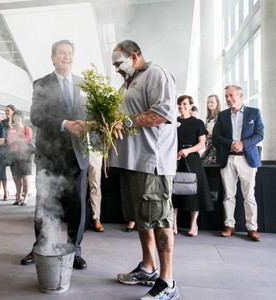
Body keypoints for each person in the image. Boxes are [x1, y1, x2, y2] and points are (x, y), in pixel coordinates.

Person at [110, 40, 179, 300]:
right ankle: (148, 268)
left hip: (153, 163)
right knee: (142, 219)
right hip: (131, 162)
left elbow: (161, 114)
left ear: (135, 56)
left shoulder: (156, 74)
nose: (116, 68)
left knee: (159, 220)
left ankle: (167, 282)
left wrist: (126, 121)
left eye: (119, 62)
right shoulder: (128, 82)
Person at [20, 39, 89, 270]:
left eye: (70, 53)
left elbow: (91, 117)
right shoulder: (41, 84)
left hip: (78, 155)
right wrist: (65, 124)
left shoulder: (84, 84)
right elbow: (36, 116)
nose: (66, 57)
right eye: (61, 53)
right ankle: (41, 247)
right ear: (52, 57)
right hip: (49, 156)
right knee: (45, 203)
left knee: (77, 206)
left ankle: (75, 250)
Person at [212, 85, 264, 242]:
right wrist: (231, 143)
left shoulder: (254, 113)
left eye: (231, 95)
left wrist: (243, 143)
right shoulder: (222, 115)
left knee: (249, 195)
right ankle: (229, 225)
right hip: (228, 158)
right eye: (226, 96)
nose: (228, 99)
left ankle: (252, 228)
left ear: (241, 95)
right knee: (229, 194)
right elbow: (216, 137)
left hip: (247, 159)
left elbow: (260, 134)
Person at [172, 95, 214, 237]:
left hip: (192, 158)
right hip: (175, 158)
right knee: (173, 192)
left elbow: (201, 143)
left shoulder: (198, 123)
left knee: (194, 192)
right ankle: (173, 223)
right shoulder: (173, 122)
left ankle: (193, 224)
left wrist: (187, 151)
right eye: (179, 104)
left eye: (184, 104)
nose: (181, 106)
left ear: (191, 105)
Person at [6, 110, 33, 206]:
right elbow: (9, 141)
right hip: (14, 155)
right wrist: (19, 138)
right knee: (15, 177)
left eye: (18, 117)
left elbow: (28, 139)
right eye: (15, 117)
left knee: (25, 177)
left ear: (22, 118)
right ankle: (18, 197)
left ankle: (25, 197)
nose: (16, 119)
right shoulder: (11, 130)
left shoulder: (27, 129)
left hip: (25, 155)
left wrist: (16, 138)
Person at [1, 104, 16, 201]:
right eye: (5, 111)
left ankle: (18, 192)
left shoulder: (17, 121)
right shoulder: (2, 122)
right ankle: (5, 191)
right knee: (2, 171)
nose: (6, 113)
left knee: (15, 172)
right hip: (4, 149)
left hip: (14, 149)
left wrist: (11, 124)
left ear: (13, 111)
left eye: (8, 111)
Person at [88, 146, 104, 232]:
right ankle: (78, 219)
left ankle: (96, 218)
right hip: (77, 146)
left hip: (95, 146)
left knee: (95, 184)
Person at [201, 95, 221, 164]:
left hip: (216, 146)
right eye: (208, 102)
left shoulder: (221, 116)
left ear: (217, 103)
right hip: (209, 144)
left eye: (212, 102)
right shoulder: (208, 118)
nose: (209, 104)